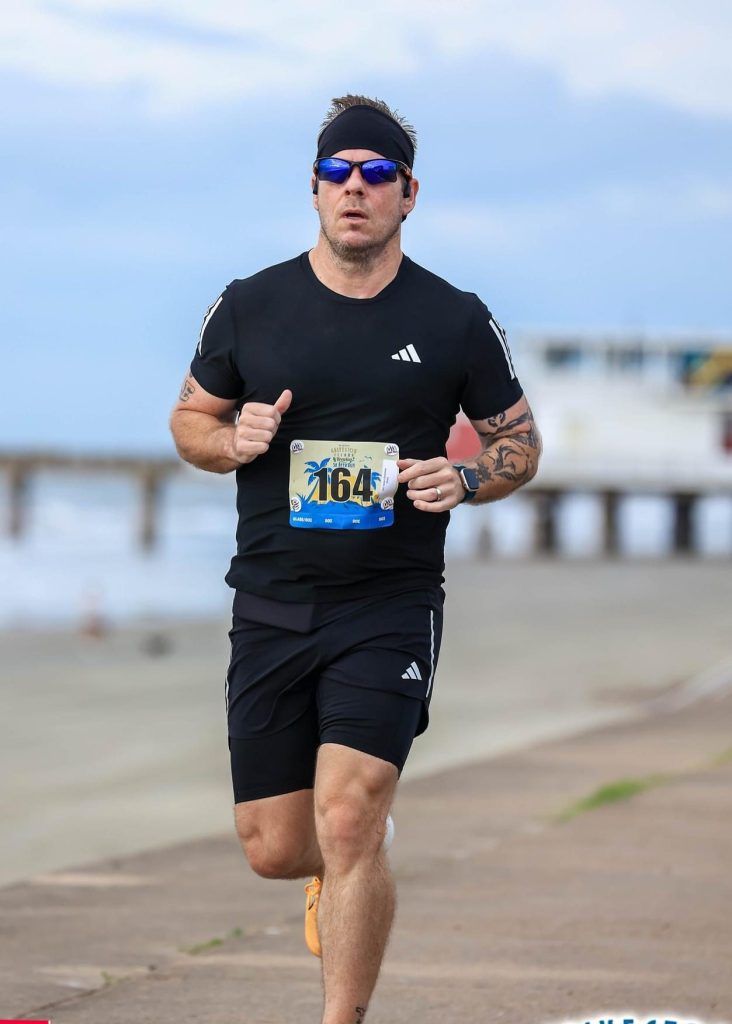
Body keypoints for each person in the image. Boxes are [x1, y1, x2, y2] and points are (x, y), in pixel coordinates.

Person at [169, 93, 542, 1024]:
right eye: (339, 173)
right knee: (276, 842)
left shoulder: (456, 319)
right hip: (270, 599)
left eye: (378, 174)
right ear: (313, 189)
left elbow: (521, 443)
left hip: (390, 600)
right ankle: (340, 865)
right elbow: (189, 422)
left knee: (349, 814)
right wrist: (233, 440)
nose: (356, 189)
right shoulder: (250, 305)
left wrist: (465, 477)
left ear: (409, 194)